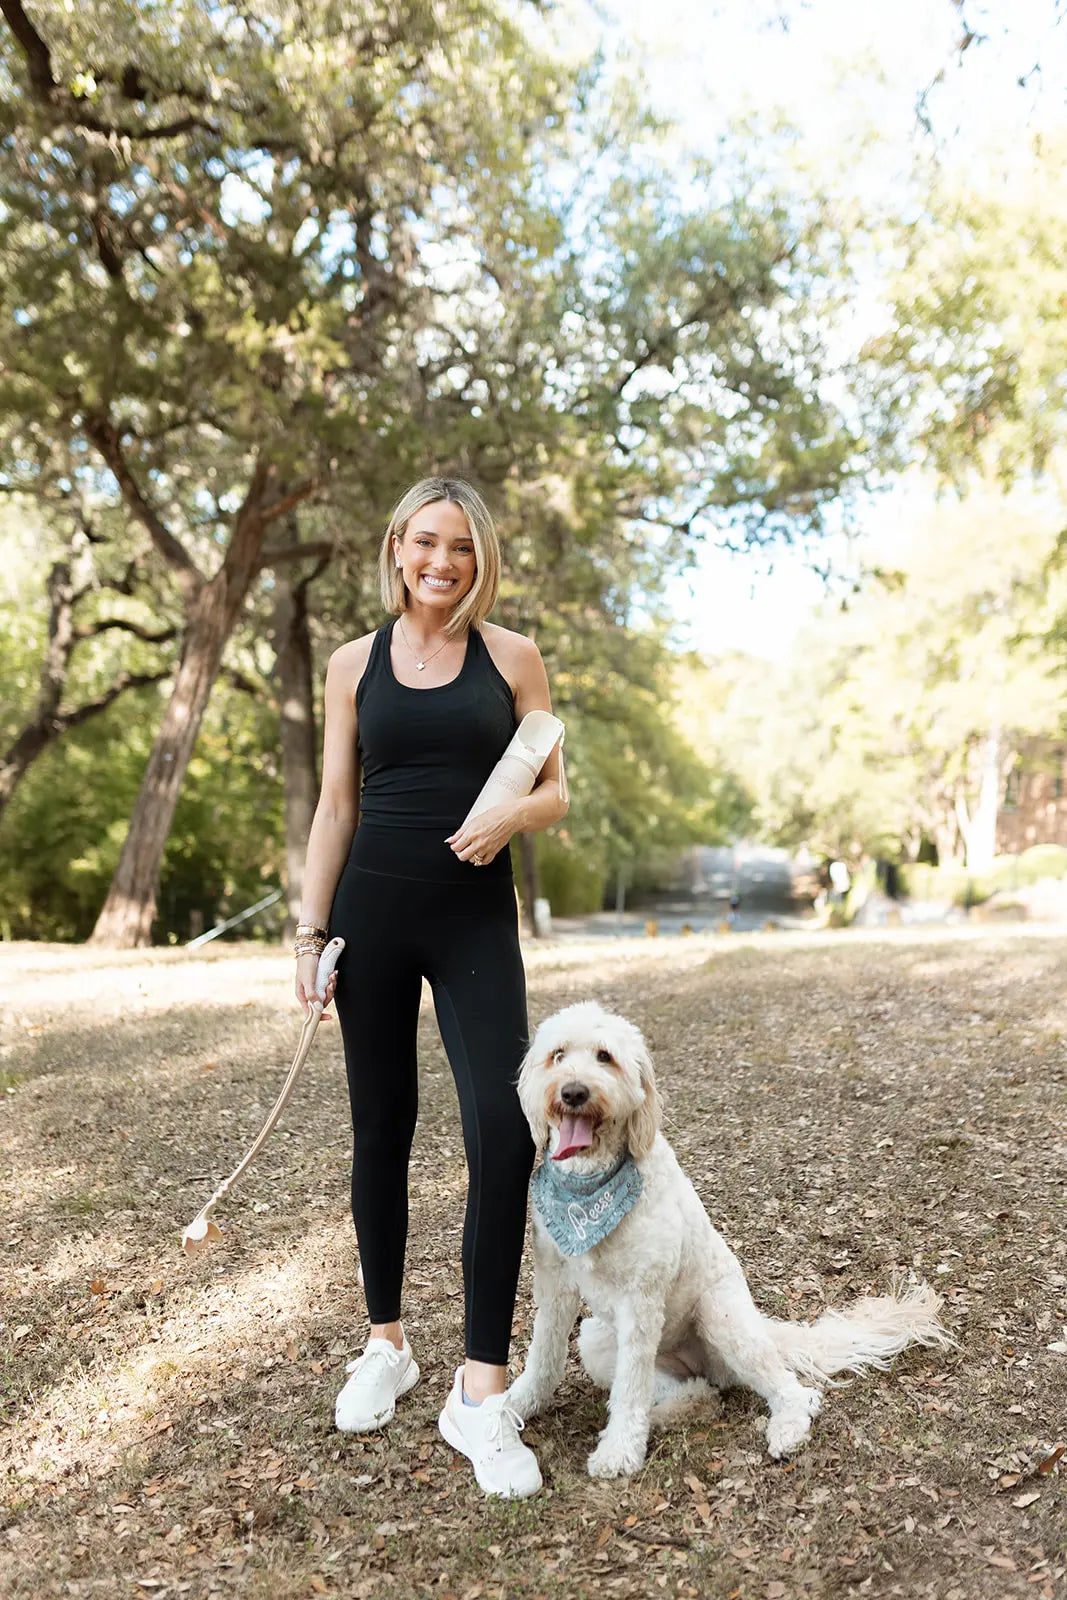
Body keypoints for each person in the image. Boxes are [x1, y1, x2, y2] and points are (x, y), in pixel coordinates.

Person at [294, 477, 567, 1499]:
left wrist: (507, 822)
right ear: (396, 546)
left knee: (505, 1128)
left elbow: (553, 785)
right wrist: (309, 933)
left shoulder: (510, 657)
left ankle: (479, 1391)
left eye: (458, 545)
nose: (440, 561)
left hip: (470, 919)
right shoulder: (349, 664)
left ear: (478, 554)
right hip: (370, 912)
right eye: (423, 542)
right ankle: (386, 1343)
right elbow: (334, 805)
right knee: (381, 1128)